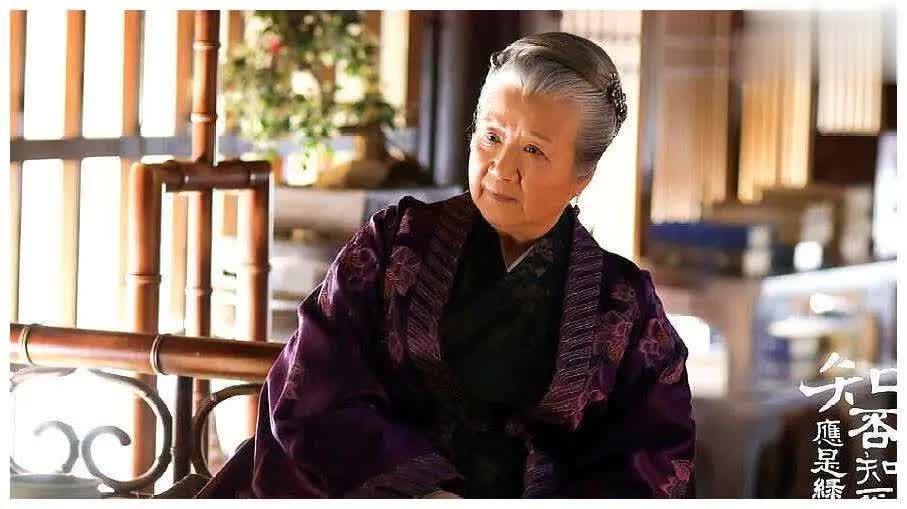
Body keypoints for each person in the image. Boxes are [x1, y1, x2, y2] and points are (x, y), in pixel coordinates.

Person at [197, 32, 695, 499]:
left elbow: (654, 462)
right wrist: (423, 493)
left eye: (533, 150)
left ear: (581, 176)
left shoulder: (622, 304)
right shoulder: (396, 243)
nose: (501, 168)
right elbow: (315, 389)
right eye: (491, 136)